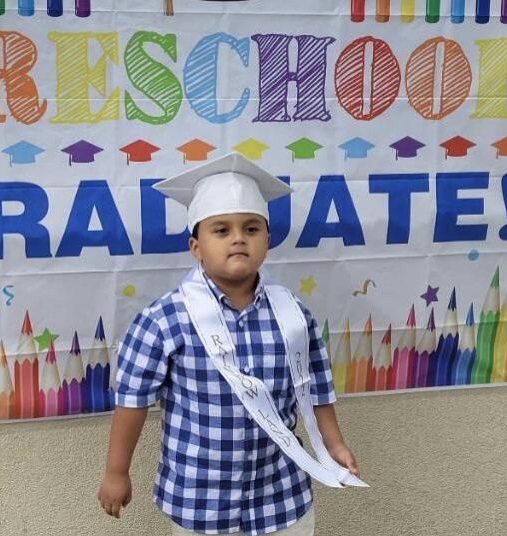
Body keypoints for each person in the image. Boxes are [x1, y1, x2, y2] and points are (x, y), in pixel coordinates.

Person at [97, 153, 366, 535]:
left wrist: (333, 446)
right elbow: (132, 400)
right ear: (196, 247)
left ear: (267, 241)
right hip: (200, 499)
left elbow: (315, 388)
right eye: (221, 230)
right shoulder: (165, 319)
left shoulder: (292, 314)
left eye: (252, 229)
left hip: (281, 496)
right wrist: (116, 472)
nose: (238, 238)